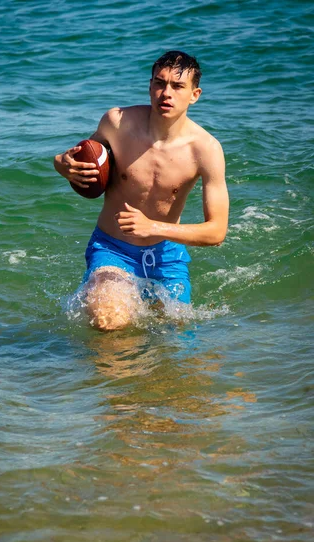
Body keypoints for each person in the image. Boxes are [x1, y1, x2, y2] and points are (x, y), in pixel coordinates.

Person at [54, 50, 229, 331]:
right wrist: (61, 163)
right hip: (113, 249)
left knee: (176, 339)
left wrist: (153, 227)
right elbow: (80, 158)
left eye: (177, 86)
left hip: (167, 257)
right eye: (159, 83)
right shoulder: (117, 123)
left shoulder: (206, 150)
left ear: (195, 94)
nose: (166, 93)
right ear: (150, 86)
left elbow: (217, 231)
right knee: (109, 323)